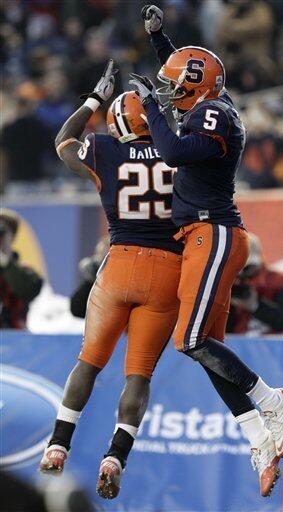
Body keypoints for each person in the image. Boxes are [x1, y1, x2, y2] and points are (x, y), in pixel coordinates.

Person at [129, 5, 283, 497]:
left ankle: (271, 401)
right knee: (206, 349)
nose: (169, 95)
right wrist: (161, 40)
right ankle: (259, 437)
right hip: (203, 234)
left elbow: (176, 151)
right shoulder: (208, 104)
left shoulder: (214, 113)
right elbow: (187, 72)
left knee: (191, 340)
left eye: (177, 89)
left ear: (199, 92)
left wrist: (155, 110)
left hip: (213, 231)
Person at [39, 60, 183, 500]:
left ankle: (58, 444)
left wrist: (92, 99)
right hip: (167, 270)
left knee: (89, 362)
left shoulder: (104, 149)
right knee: (137, 376)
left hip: (119, 263)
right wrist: (166, 108)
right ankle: (115, 456)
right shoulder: (181, 154)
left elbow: (63, 143)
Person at [226, 233, 283, 335]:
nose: (242, 273)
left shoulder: (279, 282)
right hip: (239, 345)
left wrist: (256, 306)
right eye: (238, 267)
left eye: (247, 267)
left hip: (275, 345)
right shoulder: (227, 283)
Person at [0, 209, 43, 329]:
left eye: (2, 233)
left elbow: (28, 291)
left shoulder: (26, 272)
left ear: (12, 237)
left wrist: (6, 262)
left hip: (14, 341)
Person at [70, 237, 109, 319]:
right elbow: (77, 310)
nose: (102, 263)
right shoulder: (94, 276)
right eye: (101, 258)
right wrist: (90, 280)